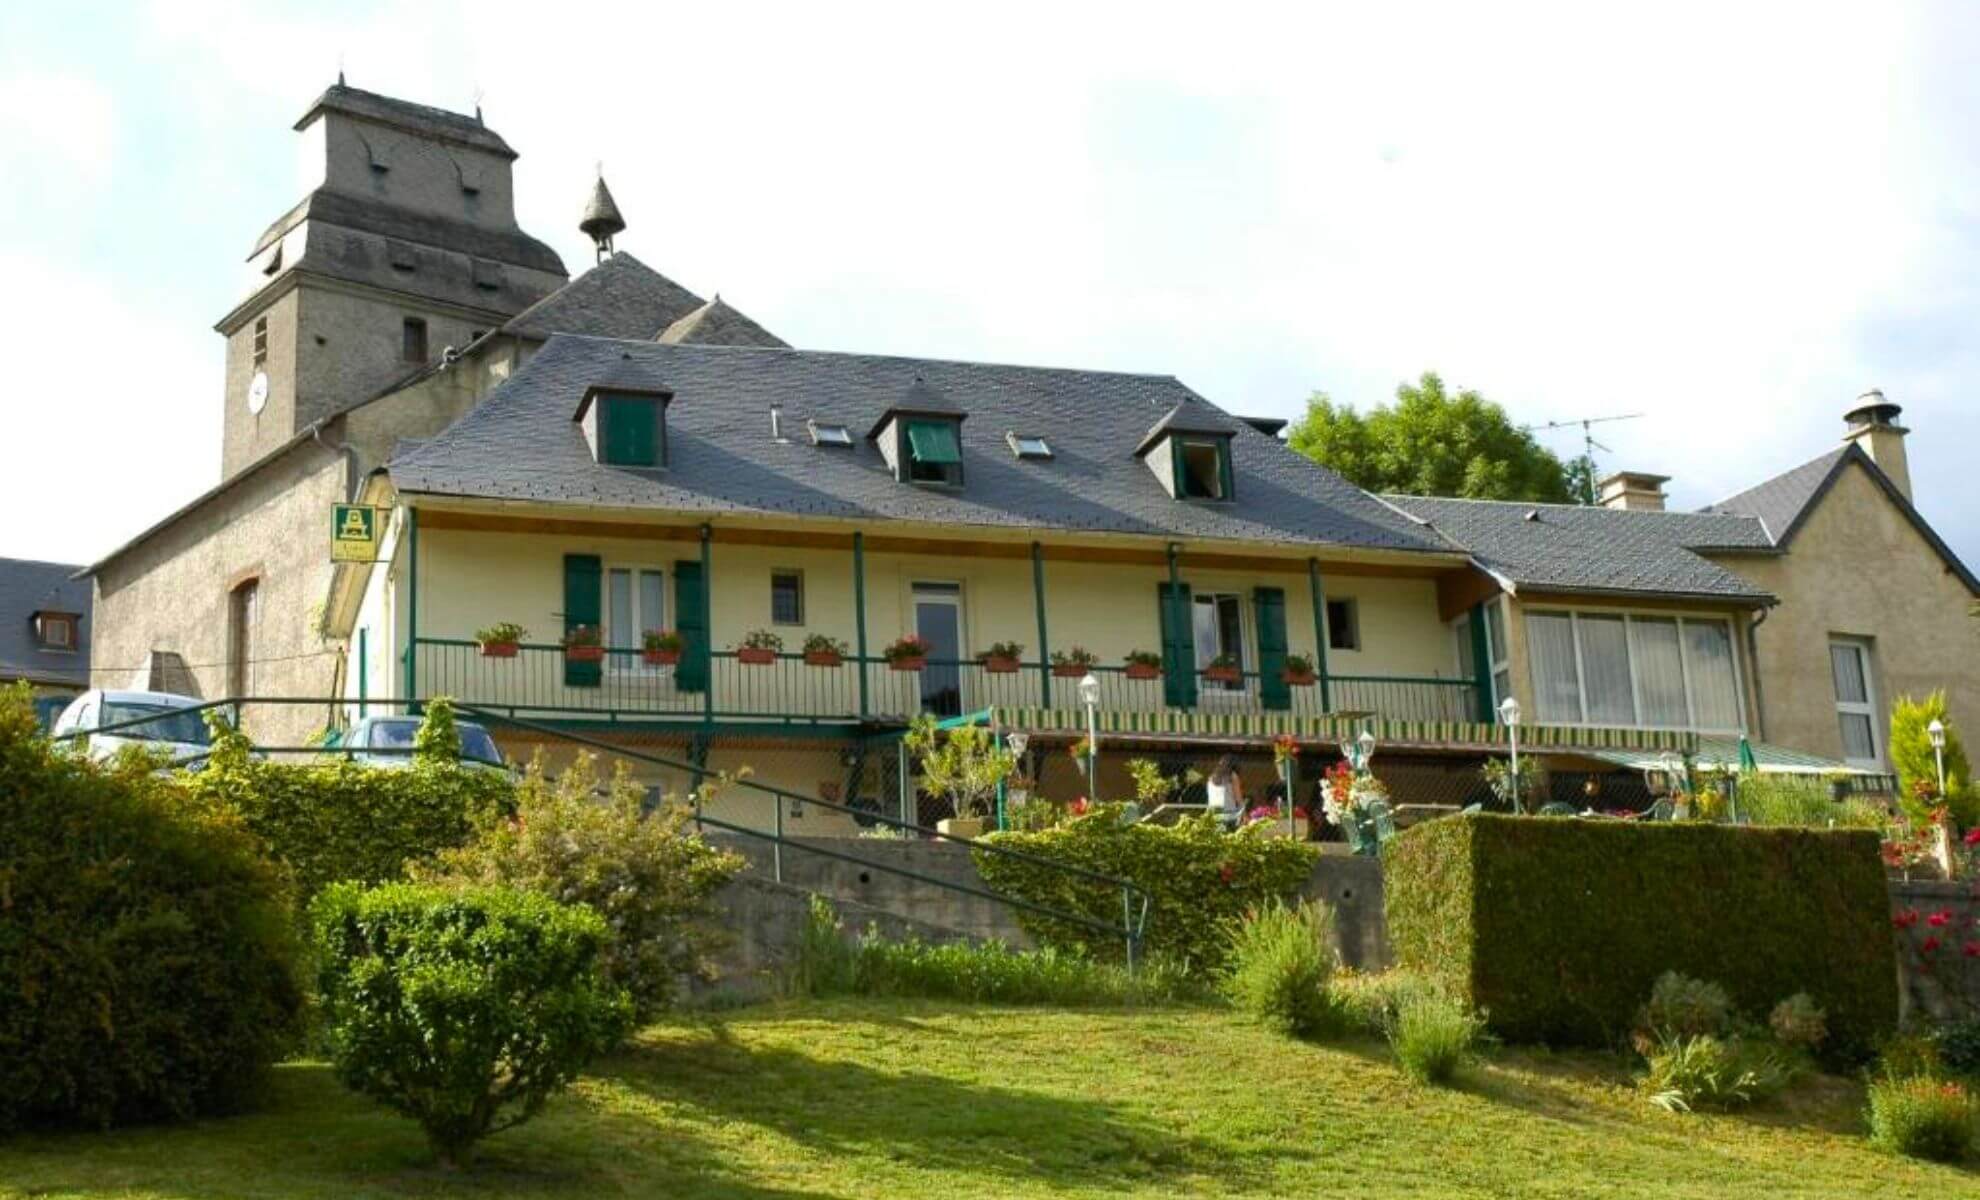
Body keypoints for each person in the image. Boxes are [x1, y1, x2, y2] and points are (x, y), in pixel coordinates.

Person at [1205, 755, 1244, 829]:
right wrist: (1244, 815)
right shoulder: (1232, 776)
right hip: (1228, 812)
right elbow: (1238, 798)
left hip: (1212, 812)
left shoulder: (1211, 777)